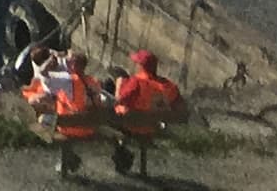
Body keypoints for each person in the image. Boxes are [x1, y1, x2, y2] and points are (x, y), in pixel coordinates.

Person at [27, 48, 108, 176]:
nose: (66, 63)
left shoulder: (69, 81)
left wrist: (50, 60)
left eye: (69, 62)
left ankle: (70, 157)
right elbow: (101, 101)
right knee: (64, 120)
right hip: (91, 127)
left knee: (40, 123)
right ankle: (70, 158)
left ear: (74, 65)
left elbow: (43, 74)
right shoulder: (94, 82)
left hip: (70, 128)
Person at [108, 48, 182, 176]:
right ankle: (127, 157)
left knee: (110, 123)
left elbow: (120, 100)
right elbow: (178, 105)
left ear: (141, 66)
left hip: (131, 125)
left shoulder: (137, 82)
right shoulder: (167, 85)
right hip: (153, 127)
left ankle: (122, 154)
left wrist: (119, 85)